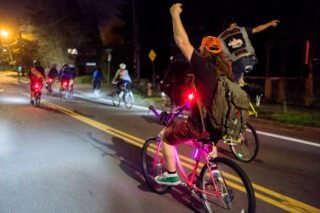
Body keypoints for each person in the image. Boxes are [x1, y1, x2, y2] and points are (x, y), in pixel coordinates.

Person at [154, 3, 233, 186]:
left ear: (204, 51)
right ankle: (214, 176)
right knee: (207, 142)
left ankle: (171, 174)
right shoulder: (226, 72)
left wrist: (174, 15)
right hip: (219, 125)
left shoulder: (203, 66)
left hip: (200, 125)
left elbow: (182, 42)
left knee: (167, 136)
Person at [218, 17, 280, 84]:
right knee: (239, 77)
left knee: (233, 75)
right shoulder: (242, 29)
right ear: (233, 24)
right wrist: (270, 23)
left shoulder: (221, 37)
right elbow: (257, 29)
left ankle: (238, 83)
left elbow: (220, 52)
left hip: (237, 62)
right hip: (250, 59)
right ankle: (241, 81)